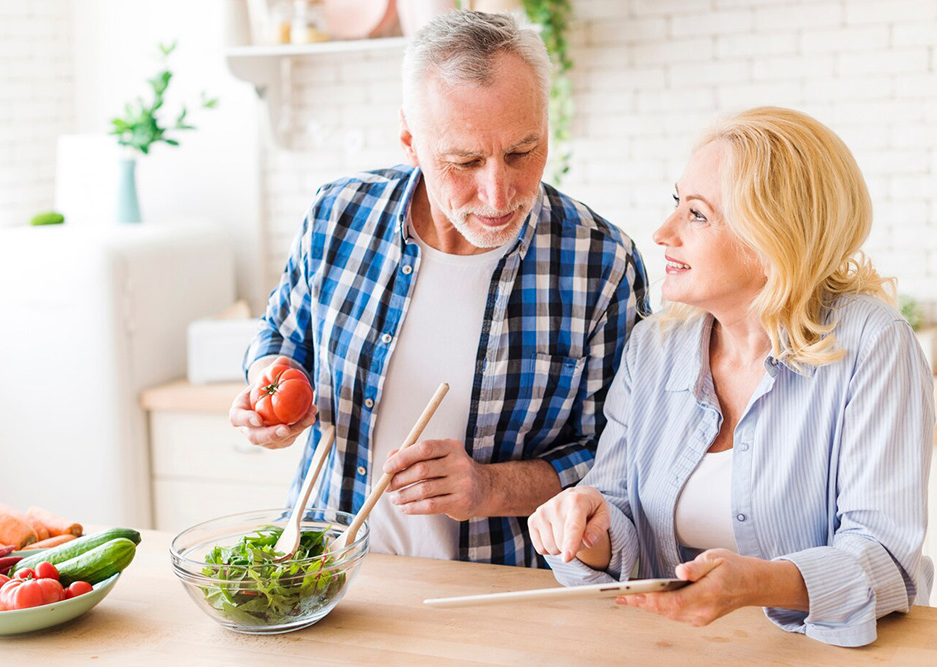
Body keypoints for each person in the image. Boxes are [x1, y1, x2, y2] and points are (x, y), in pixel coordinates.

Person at [229, 11, 648, 567]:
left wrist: (489, 488)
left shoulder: (601, 263)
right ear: (410, 139)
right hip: (325, 569)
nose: (498, 194)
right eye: (464, 161)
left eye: (522, 152)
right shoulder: (338, 215)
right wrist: (271, 389)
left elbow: (622, 461)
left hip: (497, 594)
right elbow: (282, 335)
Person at [527, 107, 934, 645]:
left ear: (772, 239)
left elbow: (885, 556)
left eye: (696, 215)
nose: (663, 231)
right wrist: (585, 525)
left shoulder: (871, 342)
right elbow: (620, 511)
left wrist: (760, 584)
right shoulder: (654, 347)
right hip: (675, 650)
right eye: (678, 203)